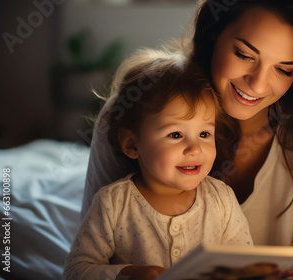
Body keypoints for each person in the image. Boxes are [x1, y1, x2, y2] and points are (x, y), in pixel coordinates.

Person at [82, 0, 293, 279]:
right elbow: (88, 258)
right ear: (214, 33)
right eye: (244, 54)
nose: (257, 84)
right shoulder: (136, 111)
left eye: (284, 69)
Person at [64, 47, 253, 280]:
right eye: (175, 135)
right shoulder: (113, 204)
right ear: (133, 145)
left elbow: (245, 266)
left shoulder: (222, 200)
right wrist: (129, 274)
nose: (194, 149)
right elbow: (76, 270)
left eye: (204, 134)